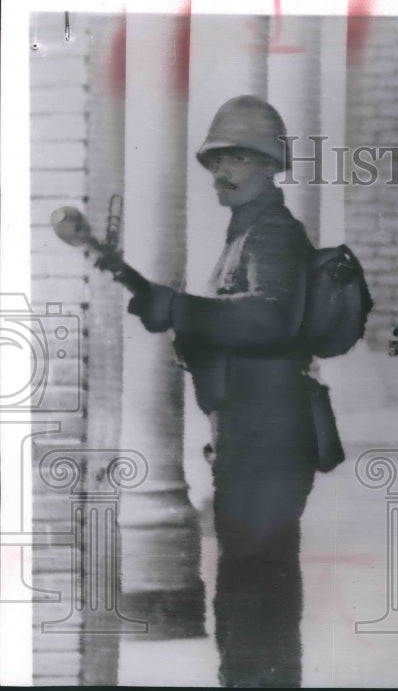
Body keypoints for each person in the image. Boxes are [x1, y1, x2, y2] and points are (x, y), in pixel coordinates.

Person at [127, 95, 317, 687]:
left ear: (269, 166)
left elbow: (268, 318)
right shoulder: (247, 232)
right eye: (217, 162)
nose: (222, 174)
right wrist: (181, 318)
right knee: (245, 591)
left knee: (256, 594)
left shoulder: (274, 233)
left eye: (238, 159)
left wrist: (180, 307)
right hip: (251, 439)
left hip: (268, 444)